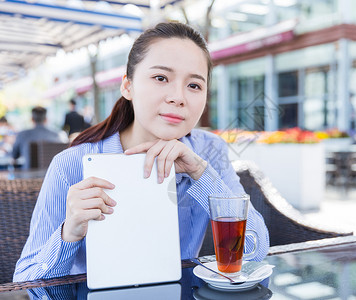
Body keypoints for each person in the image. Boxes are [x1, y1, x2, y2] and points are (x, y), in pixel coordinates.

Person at [14, 22, 270, 282]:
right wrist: (68, 233)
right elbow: (25, 280)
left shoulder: (208, 151)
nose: (178, 97)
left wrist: (200, 174)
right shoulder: (71, 164)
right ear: (127, 86)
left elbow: (254, 250)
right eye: (161, 78)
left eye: (194, 85)